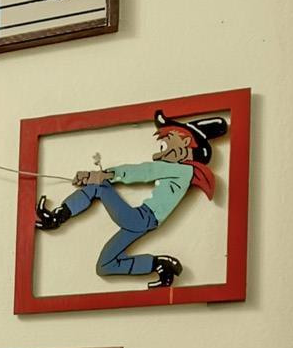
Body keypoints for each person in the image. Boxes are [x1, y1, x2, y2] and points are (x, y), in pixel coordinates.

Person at [32, 108, 225, 290]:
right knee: (104, 265)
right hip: (143, 221)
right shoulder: (182, 171)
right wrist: (98, 176)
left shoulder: (182, 170)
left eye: (166, 143)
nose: (161, 151)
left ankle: (57, 217)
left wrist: (102, 175)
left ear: (185, 142)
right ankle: (160, 264)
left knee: (99, 186)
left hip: (143, 218)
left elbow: (145, 171)